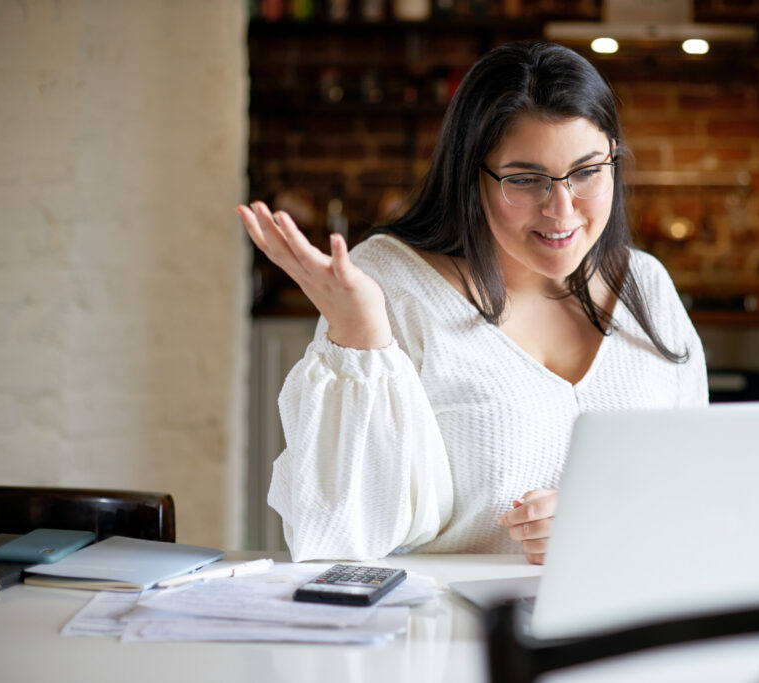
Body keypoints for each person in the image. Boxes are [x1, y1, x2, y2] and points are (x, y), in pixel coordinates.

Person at [235, 41, 708, 565]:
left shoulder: (646, 285)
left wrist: (605, 520)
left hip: (633, 624)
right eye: (524, 179)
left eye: (587, 171)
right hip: (448, 630)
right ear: (471, 174)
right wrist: (359, 334)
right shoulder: (390, 285)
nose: (562, 209)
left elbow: (699, 492)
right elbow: (339, 538)